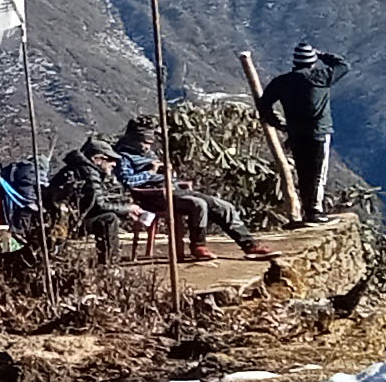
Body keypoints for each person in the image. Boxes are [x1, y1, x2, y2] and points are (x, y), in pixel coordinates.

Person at [112, 117, 268, 261]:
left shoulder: (148, 153)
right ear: (134, 139)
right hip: (153, 196)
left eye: (150, 142)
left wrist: (169, 173)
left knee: (223, 206)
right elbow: (127, 181)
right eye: (145, 142)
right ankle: (198, 246)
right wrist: (150, 172)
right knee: (197, 204)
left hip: (173, 190)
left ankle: (249, 245)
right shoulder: (122, 157)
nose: (148, 146)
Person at [255, 44, 350, 219]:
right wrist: (321, 54)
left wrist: (279, 124)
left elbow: (264, 104)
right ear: (312, 62)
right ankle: (314, 210)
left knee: (303, 172)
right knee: (317, 173)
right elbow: (343, 65)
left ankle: (308, 209)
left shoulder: (282, 82)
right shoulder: (322, 77)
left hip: (295, 134)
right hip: (318, 133)